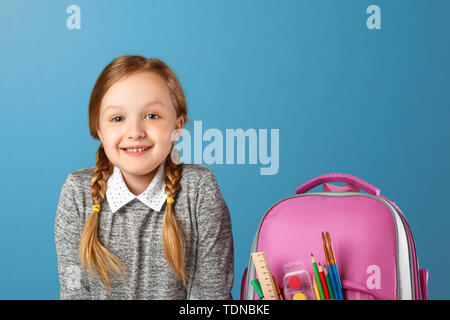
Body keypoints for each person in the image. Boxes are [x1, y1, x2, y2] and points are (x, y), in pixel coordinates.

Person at [54, 55, 234, 299]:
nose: (135, 132)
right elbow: (74, 290)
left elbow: (211, 296)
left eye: (152, 116)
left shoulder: (199, 190)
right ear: (99, 129)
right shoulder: (77, 193)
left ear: (178, 126)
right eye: (118, 118)